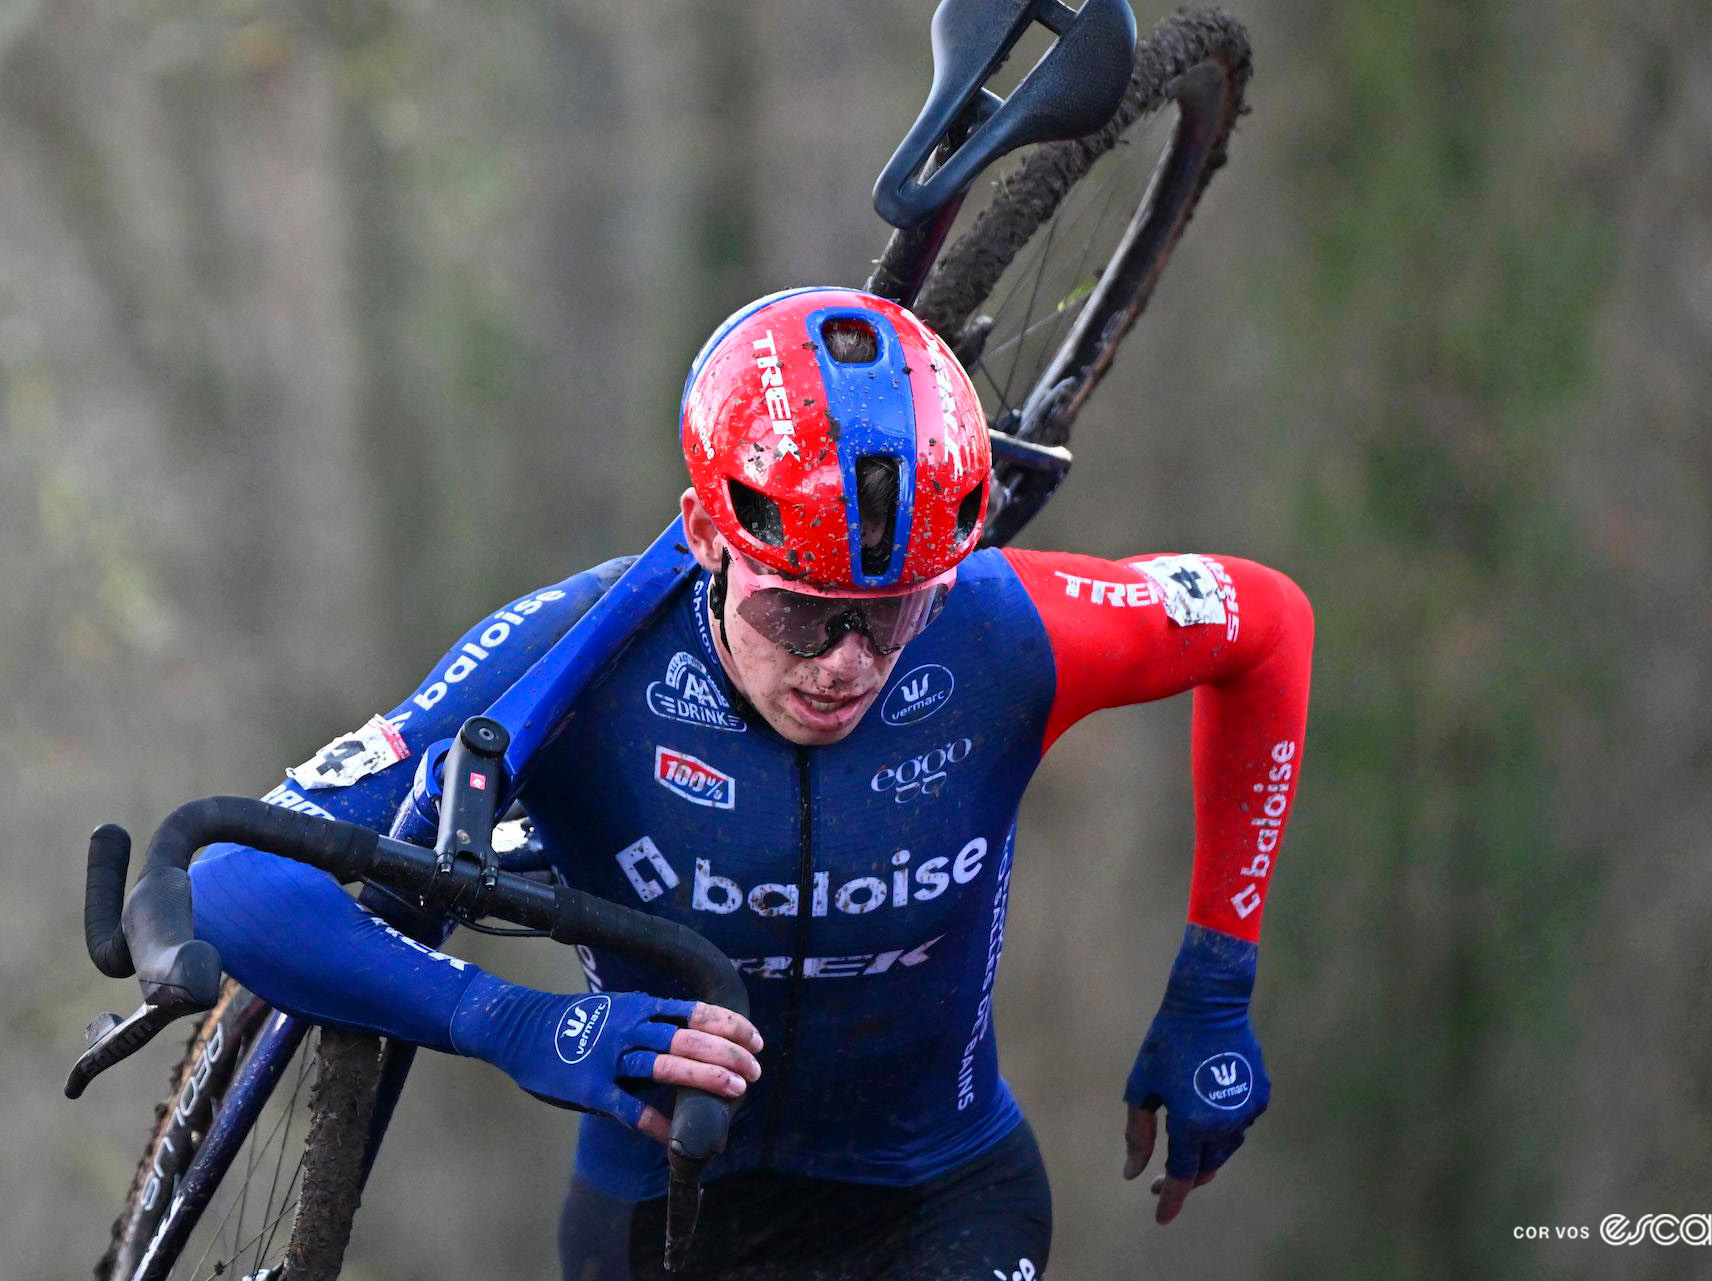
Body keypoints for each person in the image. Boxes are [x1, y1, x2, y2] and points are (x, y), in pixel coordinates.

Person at [190, 286, 1314, 1279]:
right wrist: (512, 1024)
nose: (846, 666)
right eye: (796, 611)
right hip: (659, 1216)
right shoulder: (571, 652)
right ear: (704, 537)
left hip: (942, 1195)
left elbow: (1266, 624)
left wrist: (1217, 982)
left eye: (893, 617)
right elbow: (237, 874)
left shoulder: (1009, 628)